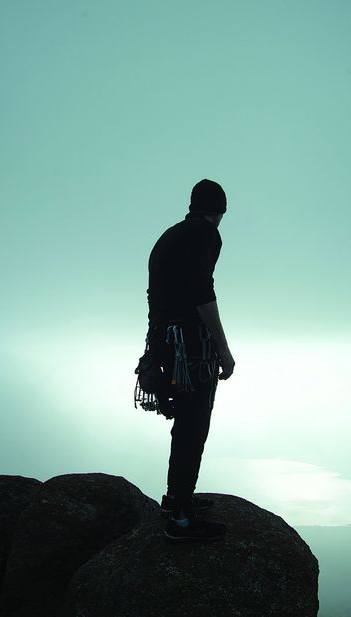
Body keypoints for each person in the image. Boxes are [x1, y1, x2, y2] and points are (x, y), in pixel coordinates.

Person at [145, 178, 235, 542]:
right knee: (194, 424)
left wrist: (156, 347)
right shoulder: (205, 235)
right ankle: (181, 518)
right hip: (191, 349)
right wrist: (224, 351)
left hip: (167, 344)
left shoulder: (170, 236)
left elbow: (157, 295)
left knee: (184, 422)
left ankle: (175, 498)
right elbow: (202, 293)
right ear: (219, 212)